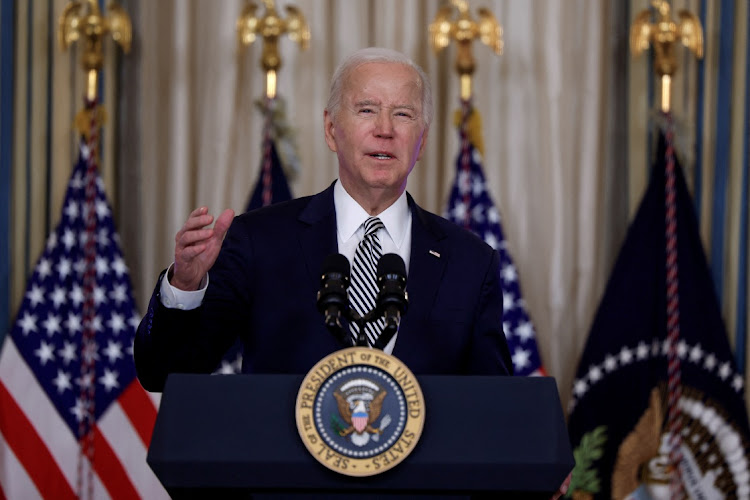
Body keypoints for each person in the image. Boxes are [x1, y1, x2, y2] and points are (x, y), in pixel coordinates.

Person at [134, 47, 513, 392]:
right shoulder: (258, 241)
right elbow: (164, 372)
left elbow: (495, 408)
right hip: (289, 466)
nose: (385, 129)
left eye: (403, 114)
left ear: (422, 140)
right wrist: (185, 286)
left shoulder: (470, 262)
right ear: (332, 130)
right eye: (366, 110)